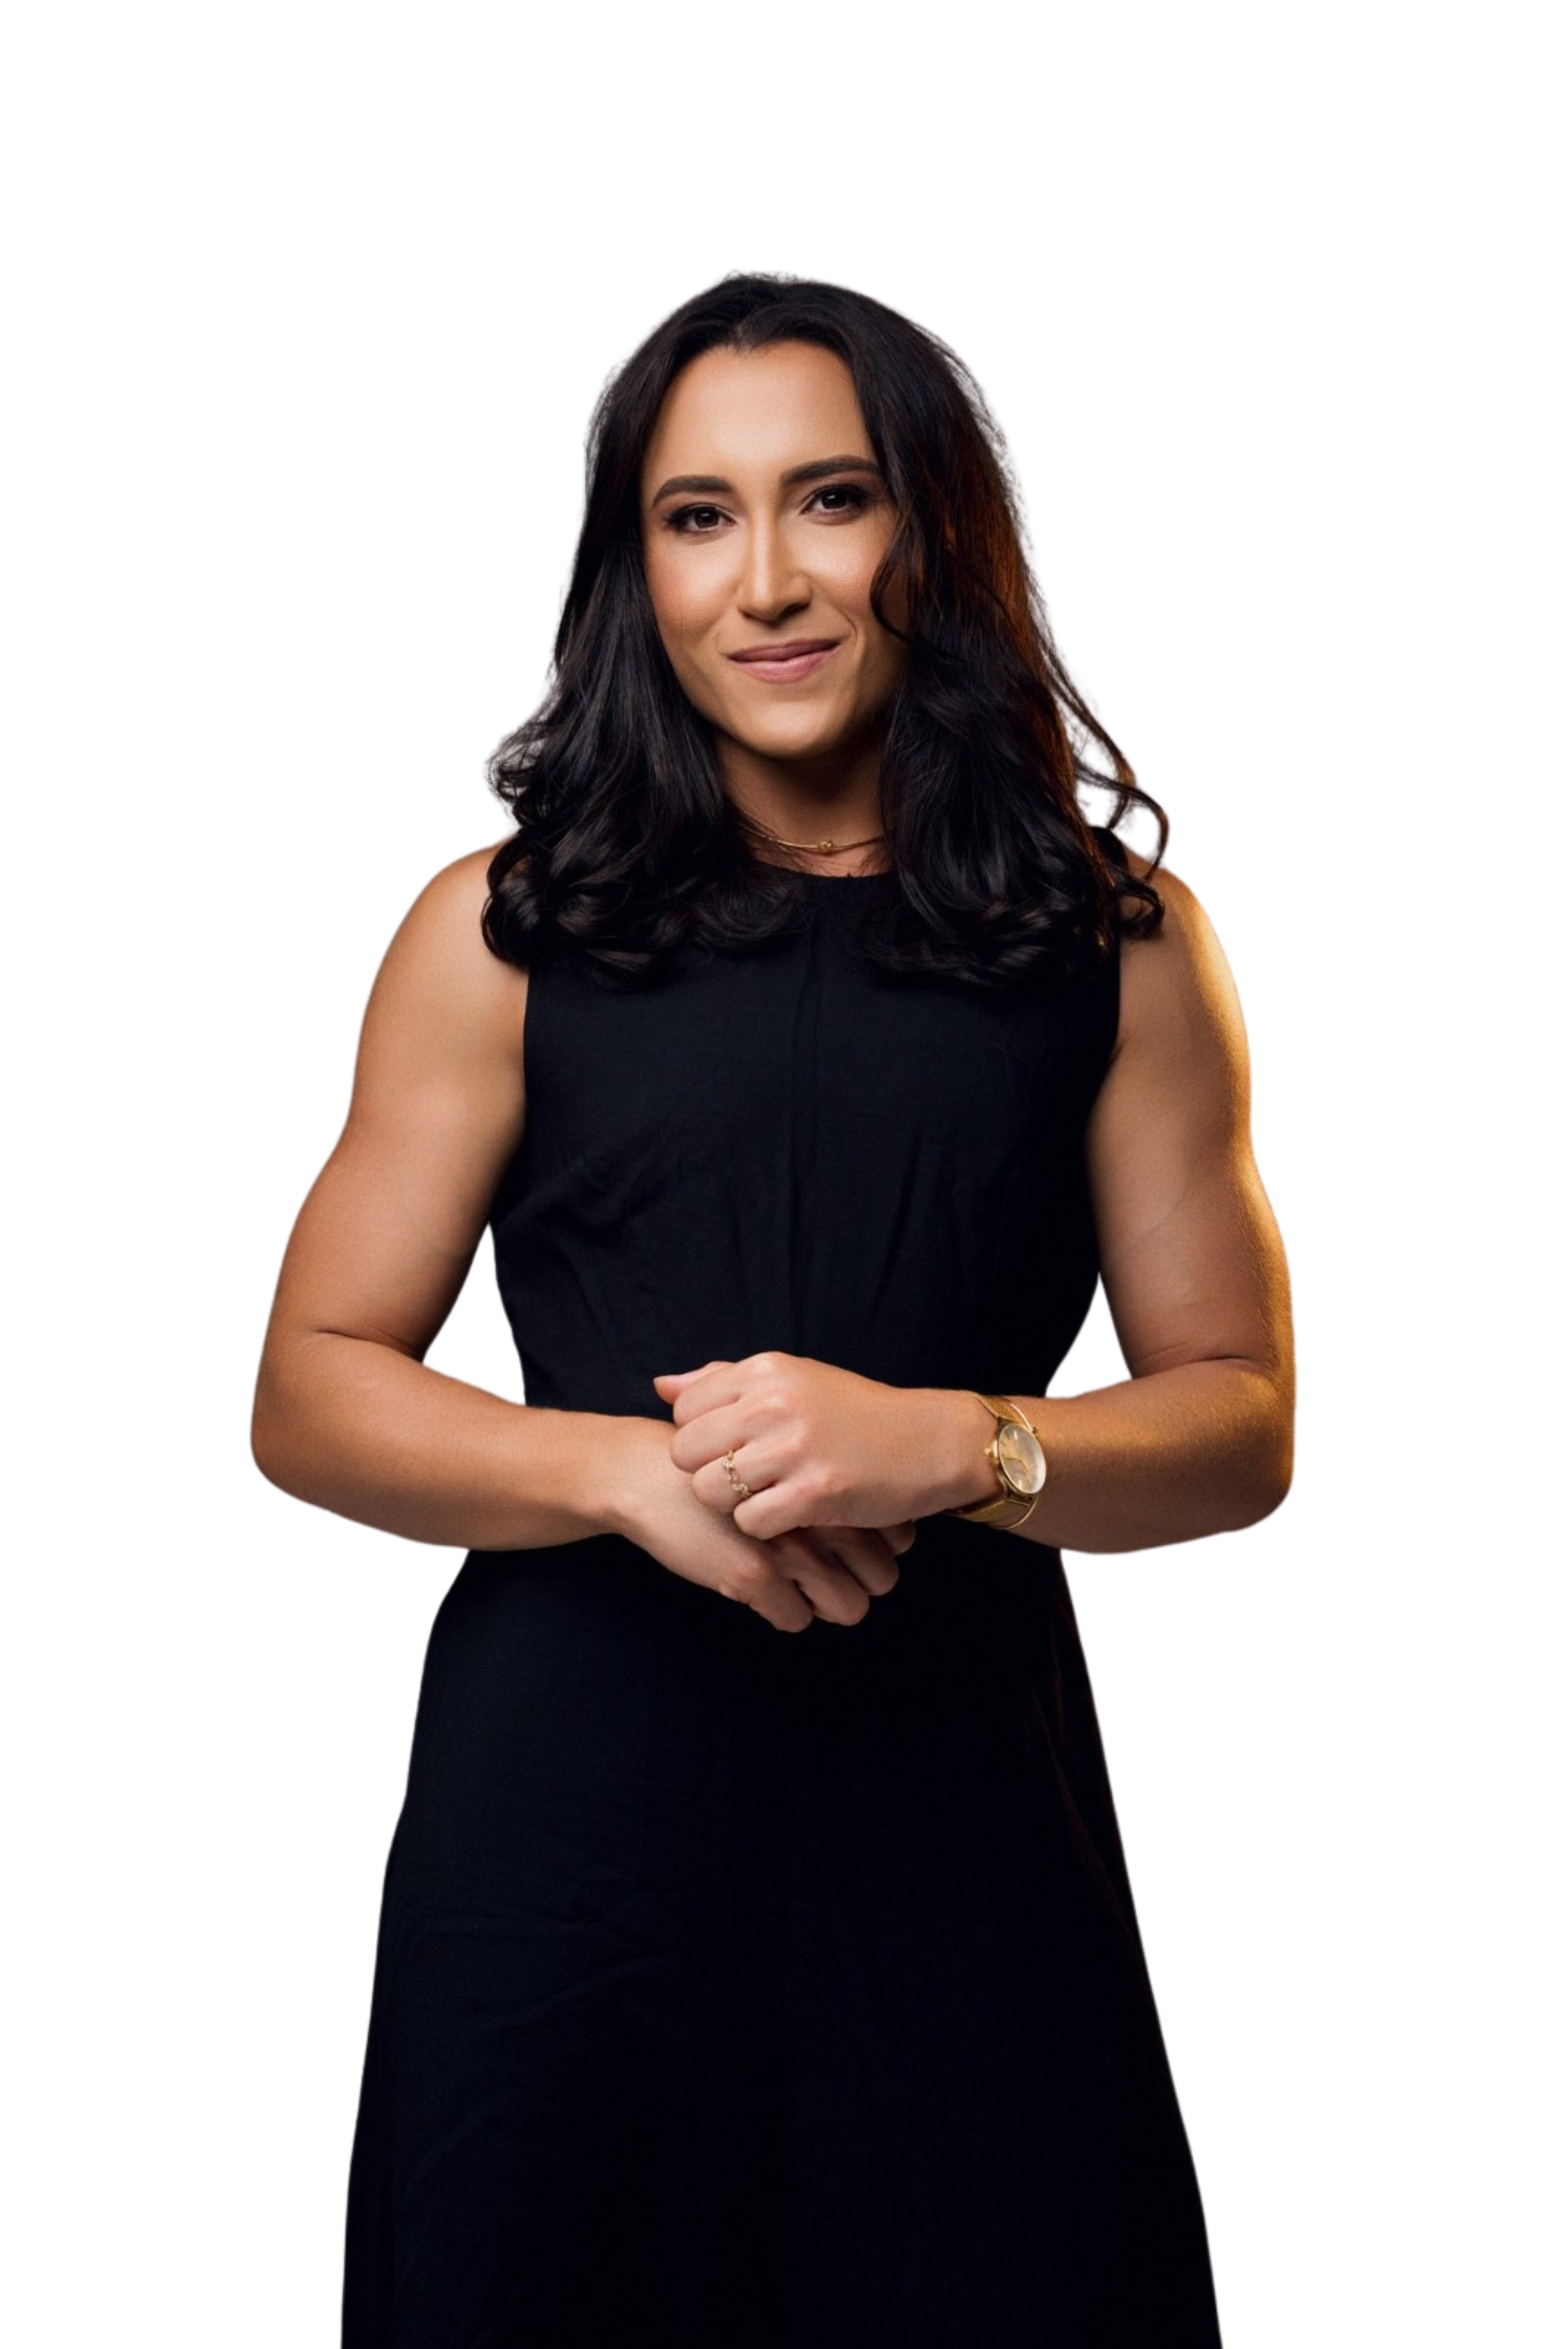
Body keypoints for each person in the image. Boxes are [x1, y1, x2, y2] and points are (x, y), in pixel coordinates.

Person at [251, 268, 1297, 2345]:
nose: (766, 583)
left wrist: (967, 1445)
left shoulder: (1124, 935)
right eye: (696, 517)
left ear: (937, 525)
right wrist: (630, 1480)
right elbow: (307, 1390)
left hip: (963, 1845)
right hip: (562, 1864)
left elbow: (1246, 1424)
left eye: (830, 499)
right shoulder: (495, 926)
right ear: (632, 569)